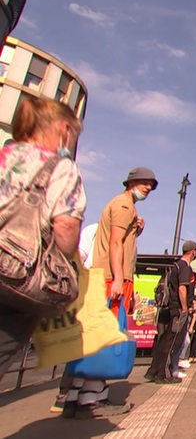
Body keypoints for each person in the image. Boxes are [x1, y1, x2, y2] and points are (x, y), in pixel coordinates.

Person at [58, 167, 158, 419]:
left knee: (91, 337)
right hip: (111, 278)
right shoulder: (124, 206)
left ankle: (73, 397)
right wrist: (116, 279)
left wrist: (137, 229)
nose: (148, 188)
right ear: (131, 182)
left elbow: (120, 239)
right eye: (145, 183)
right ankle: (93, 399)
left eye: (151, 185)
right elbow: (115, 243)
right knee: (104, 337)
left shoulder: (121, 205)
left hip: (102, 277)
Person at [0, 98, 86, 380]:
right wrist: (64, 263)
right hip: (13, 275)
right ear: (63, 129)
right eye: (72, 134)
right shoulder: (61, 168)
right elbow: (65, 227)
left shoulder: (4, 154)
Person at [144, 240, 196, 384]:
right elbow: (182, 288)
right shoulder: (185, 267)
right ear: (193, 251)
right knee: (172, 342)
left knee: (165, 340)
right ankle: (163, 374)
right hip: (178, 310)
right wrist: (183, 307)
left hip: (171, 308)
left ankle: (153, 371)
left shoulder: (175, 265)